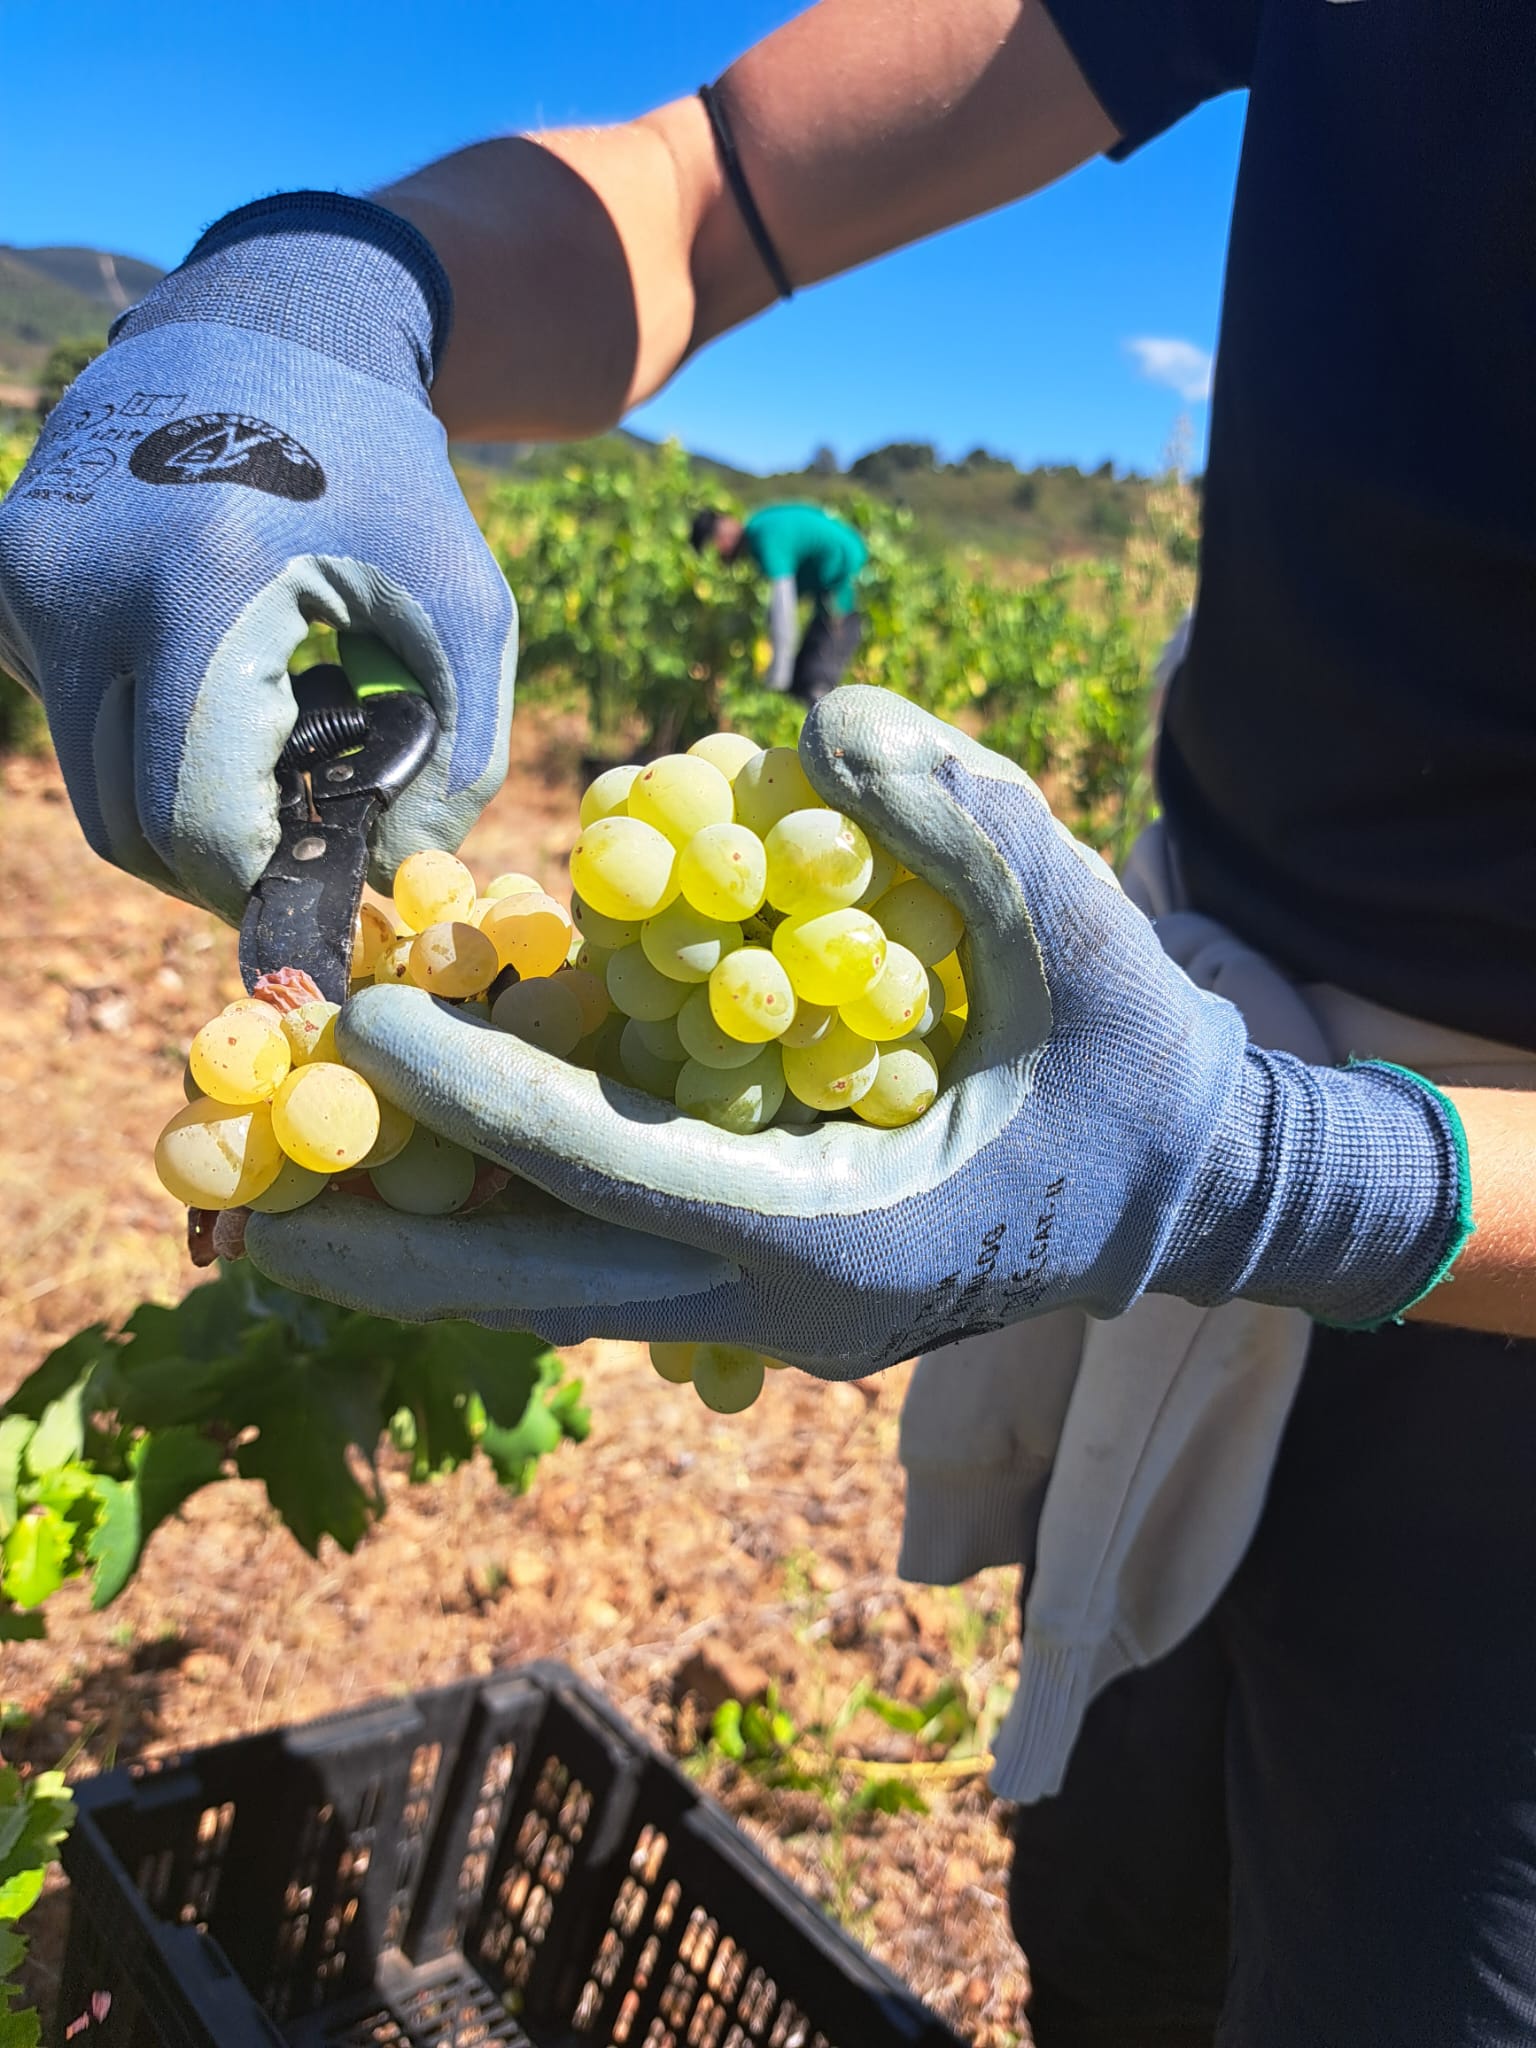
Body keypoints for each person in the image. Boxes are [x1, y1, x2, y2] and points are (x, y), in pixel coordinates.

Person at [2, 4, 1535, 2040]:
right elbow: (717, 182)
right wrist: (325, 290)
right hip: (1189, 1024)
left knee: (1406, 1985)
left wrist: (1296, 1174)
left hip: (1457, 1263)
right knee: (1111, 1901)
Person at [689, 501, 867, 703]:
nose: (723, 558)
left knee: (816, 685)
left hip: (848, 590)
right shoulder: (760, 527)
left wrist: (777, 681)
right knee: (800, 682)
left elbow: (783, 613)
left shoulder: (765, 538)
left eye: (717, 549)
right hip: (830, 599)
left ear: (722, 536)